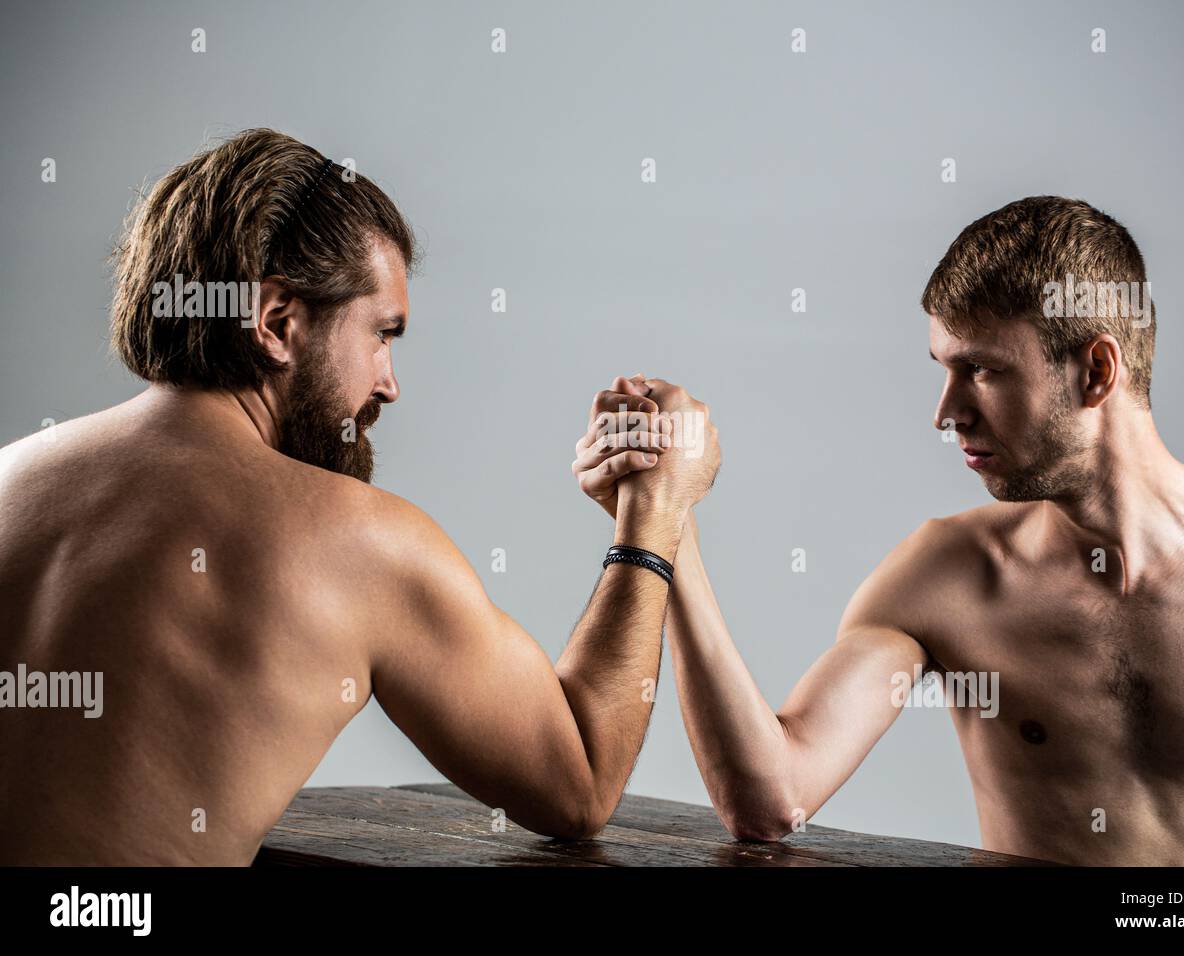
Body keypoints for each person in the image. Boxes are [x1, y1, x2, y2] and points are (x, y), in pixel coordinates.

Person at [0, 128, 719, 864]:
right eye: (382, 333)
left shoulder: (11, 478)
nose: (389, 383)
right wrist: (655, 510)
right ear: (277, 324)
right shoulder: (357, 541)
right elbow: (579, 784)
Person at [573, 198, 1184, 865]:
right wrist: (670, 525)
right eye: (944, 369)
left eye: (981, 370)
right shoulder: (947, 576)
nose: (946, 411)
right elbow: (769, 800)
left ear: (1097, 370)